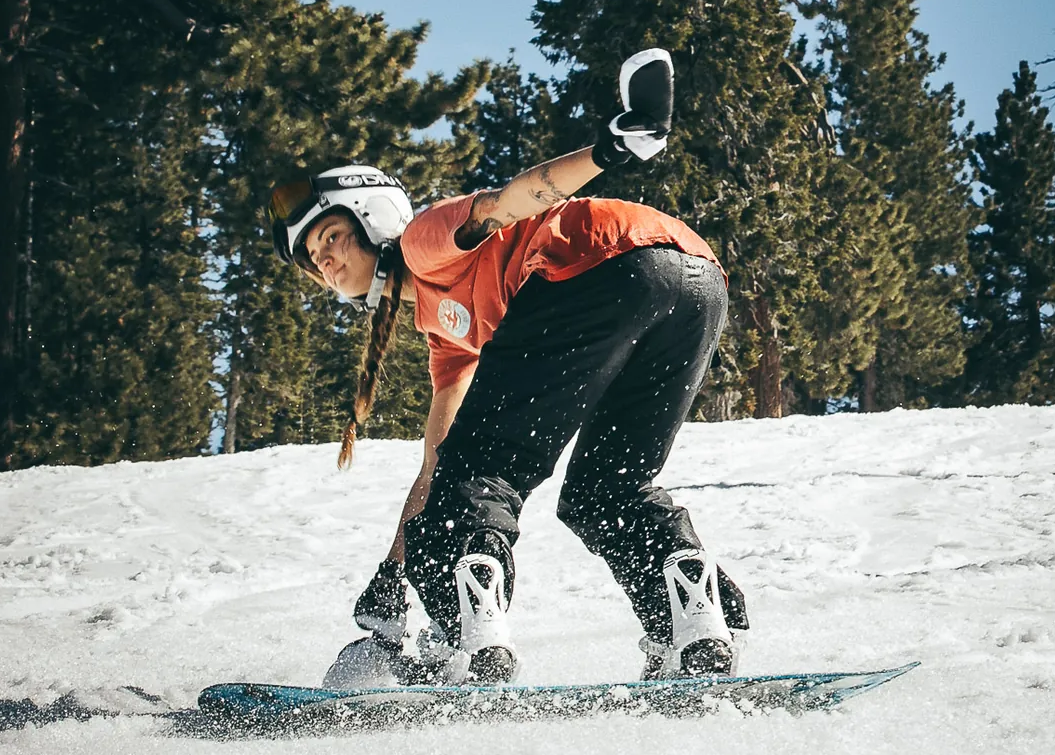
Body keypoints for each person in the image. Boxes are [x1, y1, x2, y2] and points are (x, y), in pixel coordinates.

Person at [268, 49, 748, 687]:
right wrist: (392, 577)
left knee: (479, 476)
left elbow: (512, 201)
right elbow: (435, 465)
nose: (324, 261)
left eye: (330, 236)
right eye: (312, 256)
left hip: (596, 264)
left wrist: (610, 150)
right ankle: (693, 631)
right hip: (693, 280)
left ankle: (473, 646)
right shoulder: (446, 332)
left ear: (373, 220)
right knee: (607, 490)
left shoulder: (422, 242)